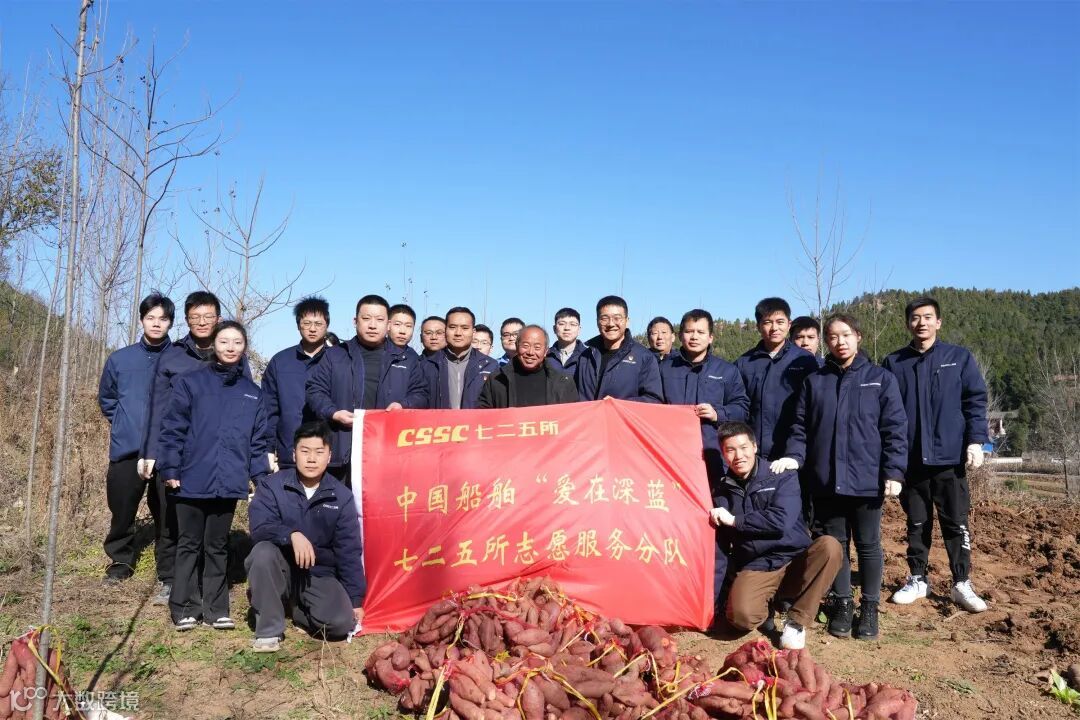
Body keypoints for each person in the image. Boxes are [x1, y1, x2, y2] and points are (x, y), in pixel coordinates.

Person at [774, 314, 907, 640]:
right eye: (833, 337)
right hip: (826, 480)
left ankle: (870, 607)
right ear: (827, 342)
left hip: (866, 480)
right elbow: (800, 428)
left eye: (845, 335)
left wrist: (894, 471)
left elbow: (895, 429)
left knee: (868, 545)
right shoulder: (815, 382)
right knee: (837, 546)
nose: (840, 342)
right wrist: (794, 456)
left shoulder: (880, 379)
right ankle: (843, 603)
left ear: (858, 336)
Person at [157, 321, 270, 631]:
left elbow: (257, 442)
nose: (230, 347)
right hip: (190, 477)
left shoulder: (252, 393)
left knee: (217, 545)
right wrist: (170, 467)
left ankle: (216, 609)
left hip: (228, 480)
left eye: (237, 342)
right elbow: (172, 428)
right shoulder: (190, 382)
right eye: (224, 341)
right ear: (213, 345)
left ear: (244, 348)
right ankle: (184, 607)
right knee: (189, 543)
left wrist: (260, 479)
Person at [882, 297, 990, 613]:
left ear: (938, 322)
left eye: (928, 317)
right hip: (912, 461)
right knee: (917, 523)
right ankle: (917, 579)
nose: (922, 323)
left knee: (955, 523)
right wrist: (890, 461)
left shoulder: (958, 358)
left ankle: (961, 582)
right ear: (908, 324)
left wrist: (976, 441)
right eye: (915, 318)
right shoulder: (894, 363)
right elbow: (885, 412)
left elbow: (975, 401)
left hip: (949, 460)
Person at [141, 290, 245, 606]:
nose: (202, 322)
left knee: (209, 521)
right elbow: (157, 407)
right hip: (175, 450)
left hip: (213, 454)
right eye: (195, 317)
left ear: (218, 318)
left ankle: (204, 578)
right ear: (187, 320)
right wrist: (151, 451)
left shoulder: (230, 354)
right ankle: (168, 579)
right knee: (170, 519)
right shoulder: (172, 356)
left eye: (208, 316)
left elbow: (242, 405)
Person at [710, 422, 842, 650]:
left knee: (830, 547)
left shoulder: (780, 475)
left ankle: (797, 621)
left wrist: (735, 520)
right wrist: (714, 599)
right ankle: (770, 603)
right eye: (730, 450)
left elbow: (781, 520)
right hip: (758, 564)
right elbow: (719, 548)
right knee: (741, 617)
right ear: (723, 454)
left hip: (795, 557)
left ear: (754, 446)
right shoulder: (721, 491)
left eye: (743, 447)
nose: (738, 456)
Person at [246, 421, 365, 652]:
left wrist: (355, 600)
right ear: (294, 454)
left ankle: (296, 609)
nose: (311, 459)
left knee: (341, 624)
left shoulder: (341, 497)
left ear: (329, 456)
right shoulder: (272, 486)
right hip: (280, 569)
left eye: (319, 452)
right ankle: (269, 631)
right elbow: (260, 528)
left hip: (318, 574)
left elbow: (349, 552)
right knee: (262, 553)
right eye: (305, 451)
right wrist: (291, 534)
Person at [97, 293, 175, 584]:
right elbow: (107, 398)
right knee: (122, 507)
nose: (156, 324)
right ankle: (120, 561)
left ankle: (167, 568)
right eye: (150, 317)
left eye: (162, 319)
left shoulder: (179, 358)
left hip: (167, 449)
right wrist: (123, 422)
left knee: (168, 510)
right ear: (142, 320)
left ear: (170, 323)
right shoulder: (120, 358)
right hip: (127, 447)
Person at [306, 294, 415, 485]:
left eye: (379, 319)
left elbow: (420, 393)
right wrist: (334, 413)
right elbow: (315, 390)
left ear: (388, 324)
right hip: (342, 449)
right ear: (355, 321)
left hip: (387, 450)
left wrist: (403, 405)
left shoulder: (407, 359)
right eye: (366, 318)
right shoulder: (335, 355)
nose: (372, 325)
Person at [660, 309, 749, 479]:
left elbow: (742, 409)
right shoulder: (664, 369)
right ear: (680, 336)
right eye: (689, 331)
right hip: (671, 455)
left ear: (710, 337)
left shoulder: (727, 371)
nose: (694, 337)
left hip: (713, 455)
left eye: (700, 332)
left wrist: (717, 414)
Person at [735, 298, 819, 460]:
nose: (774, 328)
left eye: (780, 322)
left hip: (792, 451)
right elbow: (740, 405)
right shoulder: (744, 363)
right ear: (758, 326)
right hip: (755, 452)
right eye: (767, 322)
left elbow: (812, 407)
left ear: (789, 324)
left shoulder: (804, 361)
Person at [261, 296, 331, 472]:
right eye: (307, 323)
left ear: (327, 325)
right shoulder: (280, 362)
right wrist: (268, 449)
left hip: (331, 457)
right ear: (298, 325)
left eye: (318, 323)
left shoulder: (339, 360)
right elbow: (269, 410)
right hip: (289, 454)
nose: (312, 329)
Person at [400, 307, 499, 409]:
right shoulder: (427, 364)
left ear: (473, 332)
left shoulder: (489, 365)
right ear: (445, 329)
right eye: (452, 327)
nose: (458, 333)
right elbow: (418, 397)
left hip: (475, 420)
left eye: (465, 328)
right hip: (438, 419)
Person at [576, 295, 662, 403]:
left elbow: (654, 400)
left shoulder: (644, 357)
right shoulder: (585, 356)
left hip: (621, 414)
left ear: (627, 321)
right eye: (604, 318)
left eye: (617, 318)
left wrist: (619, 404)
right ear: (597, 321)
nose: (611, 324)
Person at [479, 326, 579, 408]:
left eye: (537, 347)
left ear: (546, 351)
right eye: (525, 346)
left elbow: (573, 418)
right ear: (517, 346)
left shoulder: (563, 383)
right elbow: (484, 416)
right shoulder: (497, 380)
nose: (530, 352)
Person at [546, 307, 587, 376]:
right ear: (554, 329)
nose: (567, 328)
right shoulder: (545, 355)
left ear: (579, 330)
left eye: (573, 324)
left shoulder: (588, 356)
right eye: (562, 324)